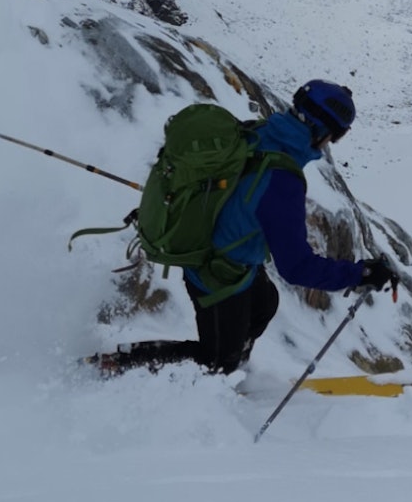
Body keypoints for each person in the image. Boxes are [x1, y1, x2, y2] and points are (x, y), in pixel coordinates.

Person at [98, 80, 394, 375]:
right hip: (214, 269)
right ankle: (121, 365)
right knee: (214, 360)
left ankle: (230, 366)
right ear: (325, 132)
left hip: (231, 253)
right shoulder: (282, 181)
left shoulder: (260, 131)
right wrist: (359, 274)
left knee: (265, 304)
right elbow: (296, 267)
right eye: (336, 137)